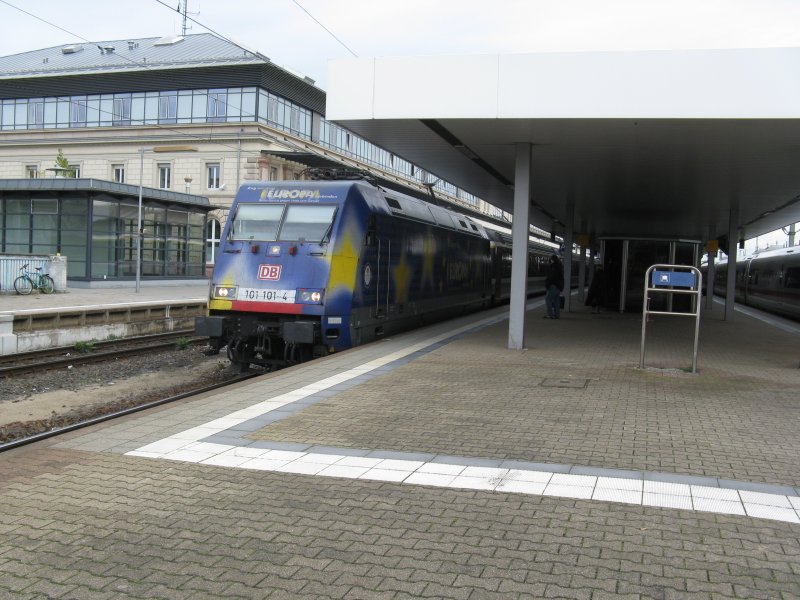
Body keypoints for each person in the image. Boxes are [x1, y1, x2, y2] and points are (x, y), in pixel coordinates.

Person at [544, 254, 564, 319]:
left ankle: (550, 314)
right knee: (556, 301)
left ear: (552, 260)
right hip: (558, 286)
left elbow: (552, 277)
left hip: (553, 285)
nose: (550, 261)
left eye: (550, 259)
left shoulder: (553, 267)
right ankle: (557, 315)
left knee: (548, 299)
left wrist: (548, 284)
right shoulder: (559, 266)